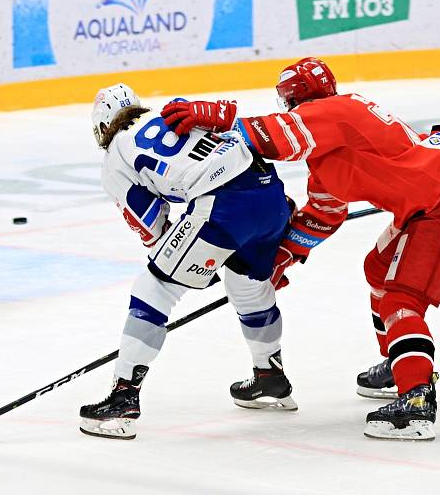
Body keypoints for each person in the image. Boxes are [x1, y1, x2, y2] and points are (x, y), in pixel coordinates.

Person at [160, 58, 440, 441]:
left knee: (401, 299)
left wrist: (219, 115)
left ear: (293, 100)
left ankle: (417, 398)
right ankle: (400, 360)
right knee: (378, 270)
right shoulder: (328, 151)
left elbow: (269, 136)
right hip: (431, 201)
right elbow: (324, 214)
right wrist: (281, 258)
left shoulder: (337, 111)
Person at [80, 84, 296, 440]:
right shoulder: (170, 110)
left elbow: (151, 226)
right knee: (248, 286)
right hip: (270, 192)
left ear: (102, 127)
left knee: (154, 288)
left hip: (225, 207)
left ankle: (122, 400)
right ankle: (270, 377)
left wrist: (184, 260)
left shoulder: (115, 156)